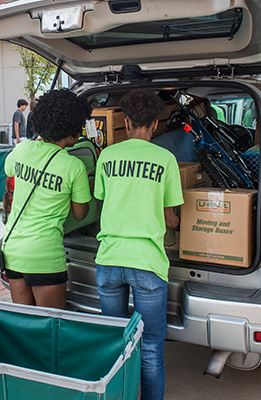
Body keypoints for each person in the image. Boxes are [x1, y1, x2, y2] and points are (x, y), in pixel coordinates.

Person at [93, 90, 183, 400]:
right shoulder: (166, 159)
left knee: (116, 344)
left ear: (127, 122)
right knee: (151, 347)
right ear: (156, 124)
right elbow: (170, 219)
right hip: (147, 262)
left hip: (109, 260)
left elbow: (103, 200)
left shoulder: (107, 156)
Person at [2, 89, 91, 309]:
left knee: (23, 321)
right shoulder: (74, 166)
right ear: (69, 127)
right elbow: (80, 214)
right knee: (50, 323)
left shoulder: (22, 149)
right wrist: (84, 191)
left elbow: (10, 173)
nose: (80, 132)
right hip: (45, 255)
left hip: (13, 250)